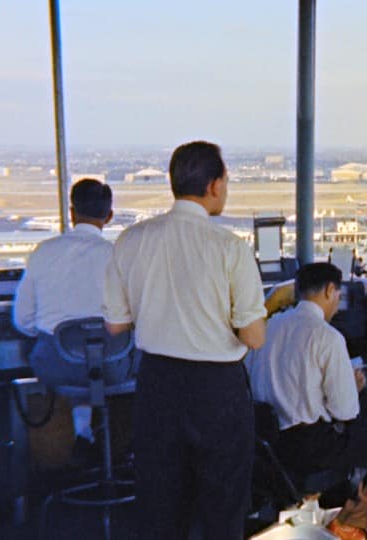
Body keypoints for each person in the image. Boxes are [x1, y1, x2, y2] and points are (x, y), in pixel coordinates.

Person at [103, 141, 274, 539]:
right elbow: (254, 338)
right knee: (223, 505)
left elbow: (115, 326)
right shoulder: (230, 248)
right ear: (214, 185)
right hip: (217, 390)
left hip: (157, 384)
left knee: (159, 503)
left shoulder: (131, 240)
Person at [247, 262, 367, 540]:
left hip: (267, 446)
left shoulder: (268, 328)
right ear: (330, 290)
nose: (338, 304)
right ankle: (351, 522)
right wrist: (352, 386)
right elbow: (346, 410)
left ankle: (332, 514)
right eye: (338, 296)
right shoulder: (327, 337)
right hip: (309, 447)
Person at [13, 178, 129, 449]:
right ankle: (120, 454)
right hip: (114, 366)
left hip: (57, 366)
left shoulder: (43, 253)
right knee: (103, 357)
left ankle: (81, 435)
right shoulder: (119, 256)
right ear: (109, 216)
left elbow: (23, 321)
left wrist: (55, 334)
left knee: (74, 357)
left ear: (72, 212)